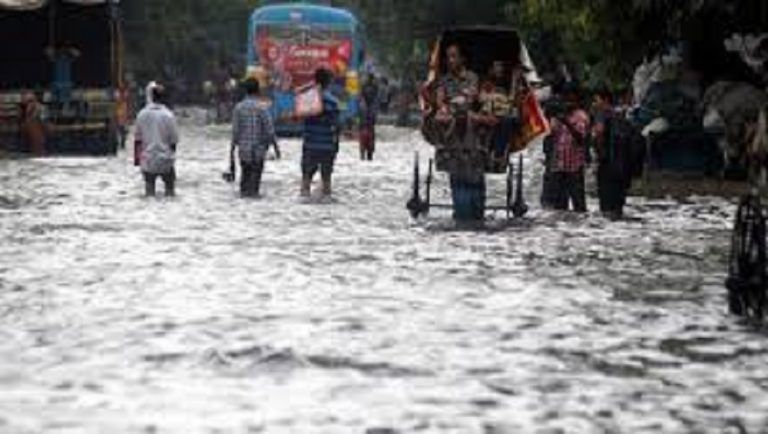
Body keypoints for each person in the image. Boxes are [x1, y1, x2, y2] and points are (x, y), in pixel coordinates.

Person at [435, 44, 486, 222]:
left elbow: (472, 96)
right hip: (451, 119)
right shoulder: (444, 80)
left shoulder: (472, 77)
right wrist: (445, 108)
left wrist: (462, 103)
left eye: (454, 56)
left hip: (469, 119)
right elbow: (440, 100)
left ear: (462, 59)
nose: (450, 61)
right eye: (448, 57)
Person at [230, 78, 277, 198]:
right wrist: (276, 148)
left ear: (245, 91)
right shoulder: (262, 108)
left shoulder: (238, 108)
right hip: (258, 151)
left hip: (244, 151)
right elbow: (269, 130)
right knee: (255, 183)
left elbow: (235, 132)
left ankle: (244, 199)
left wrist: (231, 151)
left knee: (244, 180)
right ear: (258, 91)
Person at [300, 68, 341, 198]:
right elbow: (337, 126)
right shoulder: (333, 102)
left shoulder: (308, 99)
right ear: (329, 82)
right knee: (327, 180)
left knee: (306, 179)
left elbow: (301, 118)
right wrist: (336, 145)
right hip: (327, 145)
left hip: (310, 144)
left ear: (315, 80)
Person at [548, 88, 590, 213]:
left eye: (571, 100)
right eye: (566, 100)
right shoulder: (559, 116)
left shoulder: (581, 116)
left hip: (574, 166)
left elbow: (580, 139)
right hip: (560, 166)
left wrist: (567, 123)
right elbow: (551, 136)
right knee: (560, 206)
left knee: (579, 204)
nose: (568, 103)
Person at [134, 84, 179, 197]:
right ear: (164, 98)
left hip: (148, 160)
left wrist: (137, 161)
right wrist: (171, 158)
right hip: (165, 159)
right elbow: (173, 142)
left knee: (149, 192)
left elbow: (137, 141)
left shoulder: (142, 114)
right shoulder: (169, 115)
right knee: (170, 190)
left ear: (152, 97)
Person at [359, 73, 379, 160]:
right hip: (366, 123)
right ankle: (365, 152)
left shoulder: (374, 87)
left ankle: (367, 152)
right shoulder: (367, 87)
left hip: (368, 123)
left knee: (368, 136)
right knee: (366, 136)